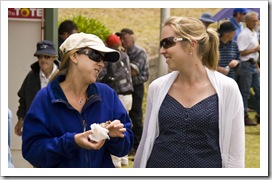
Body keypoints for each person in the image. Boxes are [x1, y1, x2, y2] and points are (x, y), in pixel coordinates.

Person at [134, 16, 245, 168]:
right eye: (161, 44)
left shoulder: (228, 89)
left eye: (167, 43)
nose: (161, 51)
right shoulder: (157, 88)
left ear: (191, 44)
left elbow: (235, 155)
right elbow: (147, 140)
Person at [21, 32, 133, 168]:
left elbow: (126, 145)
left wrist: (115, 136)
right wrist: (72, 142)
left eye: (103, 59)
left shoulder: (107, 95)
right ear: (74, 56)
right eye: (96, 56)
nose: (102, 64)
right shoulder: (45, 99)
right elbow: (32, 151)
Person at [98, 34, 134, 167]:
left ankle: (117, 160)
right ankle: (124, 158)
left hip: (118, 94)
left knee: (116, 125)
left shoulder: (113, 57)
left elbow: (107, 76)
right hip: (129, 94)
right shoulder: (125, 55)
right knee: (124, 125)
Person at [14, 40, 59, 136]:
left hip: (57, 124)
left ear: (54, 57)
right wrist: (21, 119)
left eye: (47, 56)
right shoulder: (32, 75)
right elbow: (23, 99)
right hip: (36, 124)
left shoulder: (63, 76)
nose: (43, 60)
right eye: (40, 56)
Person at [116, 28, 149, 153]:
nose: (122, 41)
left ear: (132, 38)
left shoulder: (139, 52)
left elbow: (133, 71)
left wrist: (119, 70)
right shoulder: (123, 53)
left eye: (125, 38)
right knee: (126, 116)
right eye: (121, 39)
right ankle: (129, 143)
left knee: (136, 115)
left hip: (136, 86)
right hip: (124, 88)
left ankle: (138, 144)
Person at [236, 11, 260, 125]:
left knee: (259, 90)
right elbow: (242, 52)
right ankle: (244, 116)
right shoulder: (243, 35)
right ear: (247, 22)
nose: (256, 23)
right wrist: (255, 49)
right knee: (245, 92)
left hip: (253, 65)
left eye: (256, 21)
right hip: (246, 65)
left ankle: (260, 114)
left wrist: (257, 66)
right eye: (253, 21)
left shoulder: (254, 33)